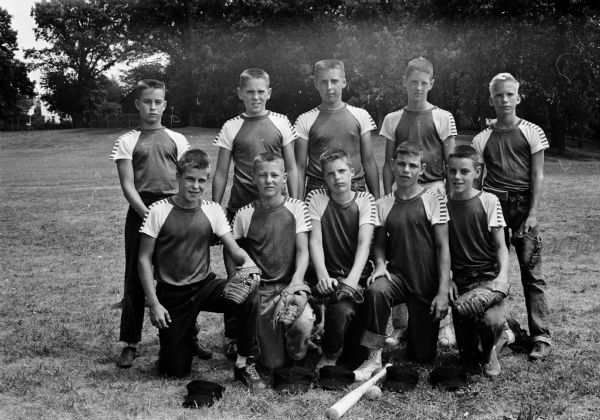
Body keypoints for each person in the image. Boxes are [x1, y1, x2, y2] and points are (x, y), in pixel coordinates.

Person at [137, 148, 265, 389]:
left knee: (250, 293)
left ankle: (244, 362)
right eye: (190, 179)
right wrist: (153, 303)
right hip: (173, 294)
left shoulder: (212, 210)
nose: (195, 186)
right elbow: (143, 259)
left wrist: (249, 265)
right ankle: (186, 335)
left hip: (205, 285)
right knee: (174, 372)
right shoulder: (157, 211)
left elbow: (234, 250)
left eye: (201, 180)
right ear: (178, 177)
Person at [110, 79, 212, 368]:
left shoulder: (177, 139)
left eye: (158, 102)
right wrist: (146, 214)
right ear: (138, 104)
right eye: (146, 101)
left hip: (173, 210)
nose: (152, 107)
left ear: (165, 105)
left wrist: (174, 214)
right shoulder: (127, 140)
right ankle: (130, 343)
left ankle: (189, 335)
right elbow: (128, 186)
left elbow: (186, 177)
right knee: (135, 276)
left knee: (181, 275)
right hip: (140, 210)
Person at [213, 68, 299, 359]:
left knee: (279, 267)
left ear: (269, 92)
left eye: (261, 91)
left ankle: (290, 324)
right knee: (237, 276)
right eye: (249, 91)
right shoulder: (231, 126)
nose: (256, 97)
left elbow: (292, 166)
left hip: (275, 209)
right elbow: (222, 172)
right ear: (240, 93)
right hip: (242, 209)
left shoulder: (281, 122)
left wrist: (295, 203)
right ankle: (235, 336)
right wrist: (215, 212)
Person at [354, 143, 450, 381]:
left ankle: (415, 331)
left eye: (412, 166)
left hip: (425, 282)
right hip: (397, 277)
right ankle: (374, 356)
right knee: (376, 291)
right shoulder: (383, 204)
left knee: (423, 358)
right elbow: (379, 244)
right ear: (393, 166)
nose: (406, 170)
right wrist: (378, 265)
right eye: (401, 164)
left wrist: (442, 290)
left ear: (422, 169)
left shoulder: (433, 200)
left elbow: (443, 247)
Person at [472, 73, 551, 361]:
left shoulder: (532, 131)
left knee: (532, 274)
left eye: (509, 95)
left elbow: (537, 174)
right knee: (492, 272)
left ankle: (540, 336)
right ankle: (495, 332)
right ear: (491, 99)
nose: (504, 100)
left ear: (518, 97)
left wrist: (532, 213)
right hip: (494, 208)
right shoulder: (482, 138)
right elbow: (477, 182)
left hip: (522, 209)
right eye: (498, 96)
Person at [379, 57, 457, 347]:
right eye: (414, 82)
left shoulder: (442, 116)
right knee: (398, 255)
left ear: (432, 84)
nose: (419, 88)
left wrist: (449, 197)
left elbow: (450, 162)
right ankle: (400, 325)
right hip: (401, 192)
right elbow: (389, 163)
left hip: (433, 189)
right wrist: (386, 195)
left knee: (434, 254)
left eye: (425, 83)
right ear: (404, 82)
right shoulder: (392, 118)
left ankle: (444, 323)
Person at [231, 152, 313, 370]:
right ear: (253, 178)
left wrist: (297, 282)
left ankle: (299, 351)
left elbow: (303, 251)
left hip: (290, 285)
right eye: (262, 175)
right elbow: (232, 254)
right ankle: (272, 341)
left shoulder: (297, 208)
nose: (269, 180)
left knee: (303, 323)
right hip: (263, 292)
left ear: (284, 178)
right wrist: (240, 282)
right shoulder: (243, 215)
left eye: (274, 175)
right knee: (273, 364)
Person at [306, 149, 376, 370]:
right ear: (323, 177)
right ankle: (329, 353)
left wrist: (352, 280)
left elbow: (364, 244)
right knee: (339, 309)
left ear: (352, 172)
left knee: (355, 354)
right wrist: (323, 276)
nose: (337, 177)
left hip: (355, 278)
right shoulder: (316, 198)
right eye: (330, 174)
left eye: (342, 171)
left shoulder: (365, 199)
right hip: (327, 277)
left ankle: (340, 340)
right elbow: (315, 241)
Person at [446, 145, 510, 377]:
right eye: (452, 170)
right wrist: (448, 279)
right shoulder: (443, 204)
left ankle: (498, 336)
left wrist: (501, 277)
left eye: (464, 171)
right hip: (461, 282)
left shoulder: (489, 201)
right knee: (467, 359)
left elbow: (501, 246)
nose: (457, 176)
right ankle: (502, 337)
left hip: (486, 280)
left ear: (477, 172)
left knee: (488, 324)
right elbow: (442, 250)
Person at [294, 59, 380, 199]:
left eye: (334, 81)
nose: (329, 86)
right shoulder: (304, 120)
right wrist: (297, 204)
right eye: (323, 82)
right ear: (316, 84)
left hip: (354, 186)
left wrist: (376, 199)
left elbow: (368, 160)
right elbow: (300, 167)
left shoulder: (361, 115)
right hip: (318, 188)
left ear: (343, 82)